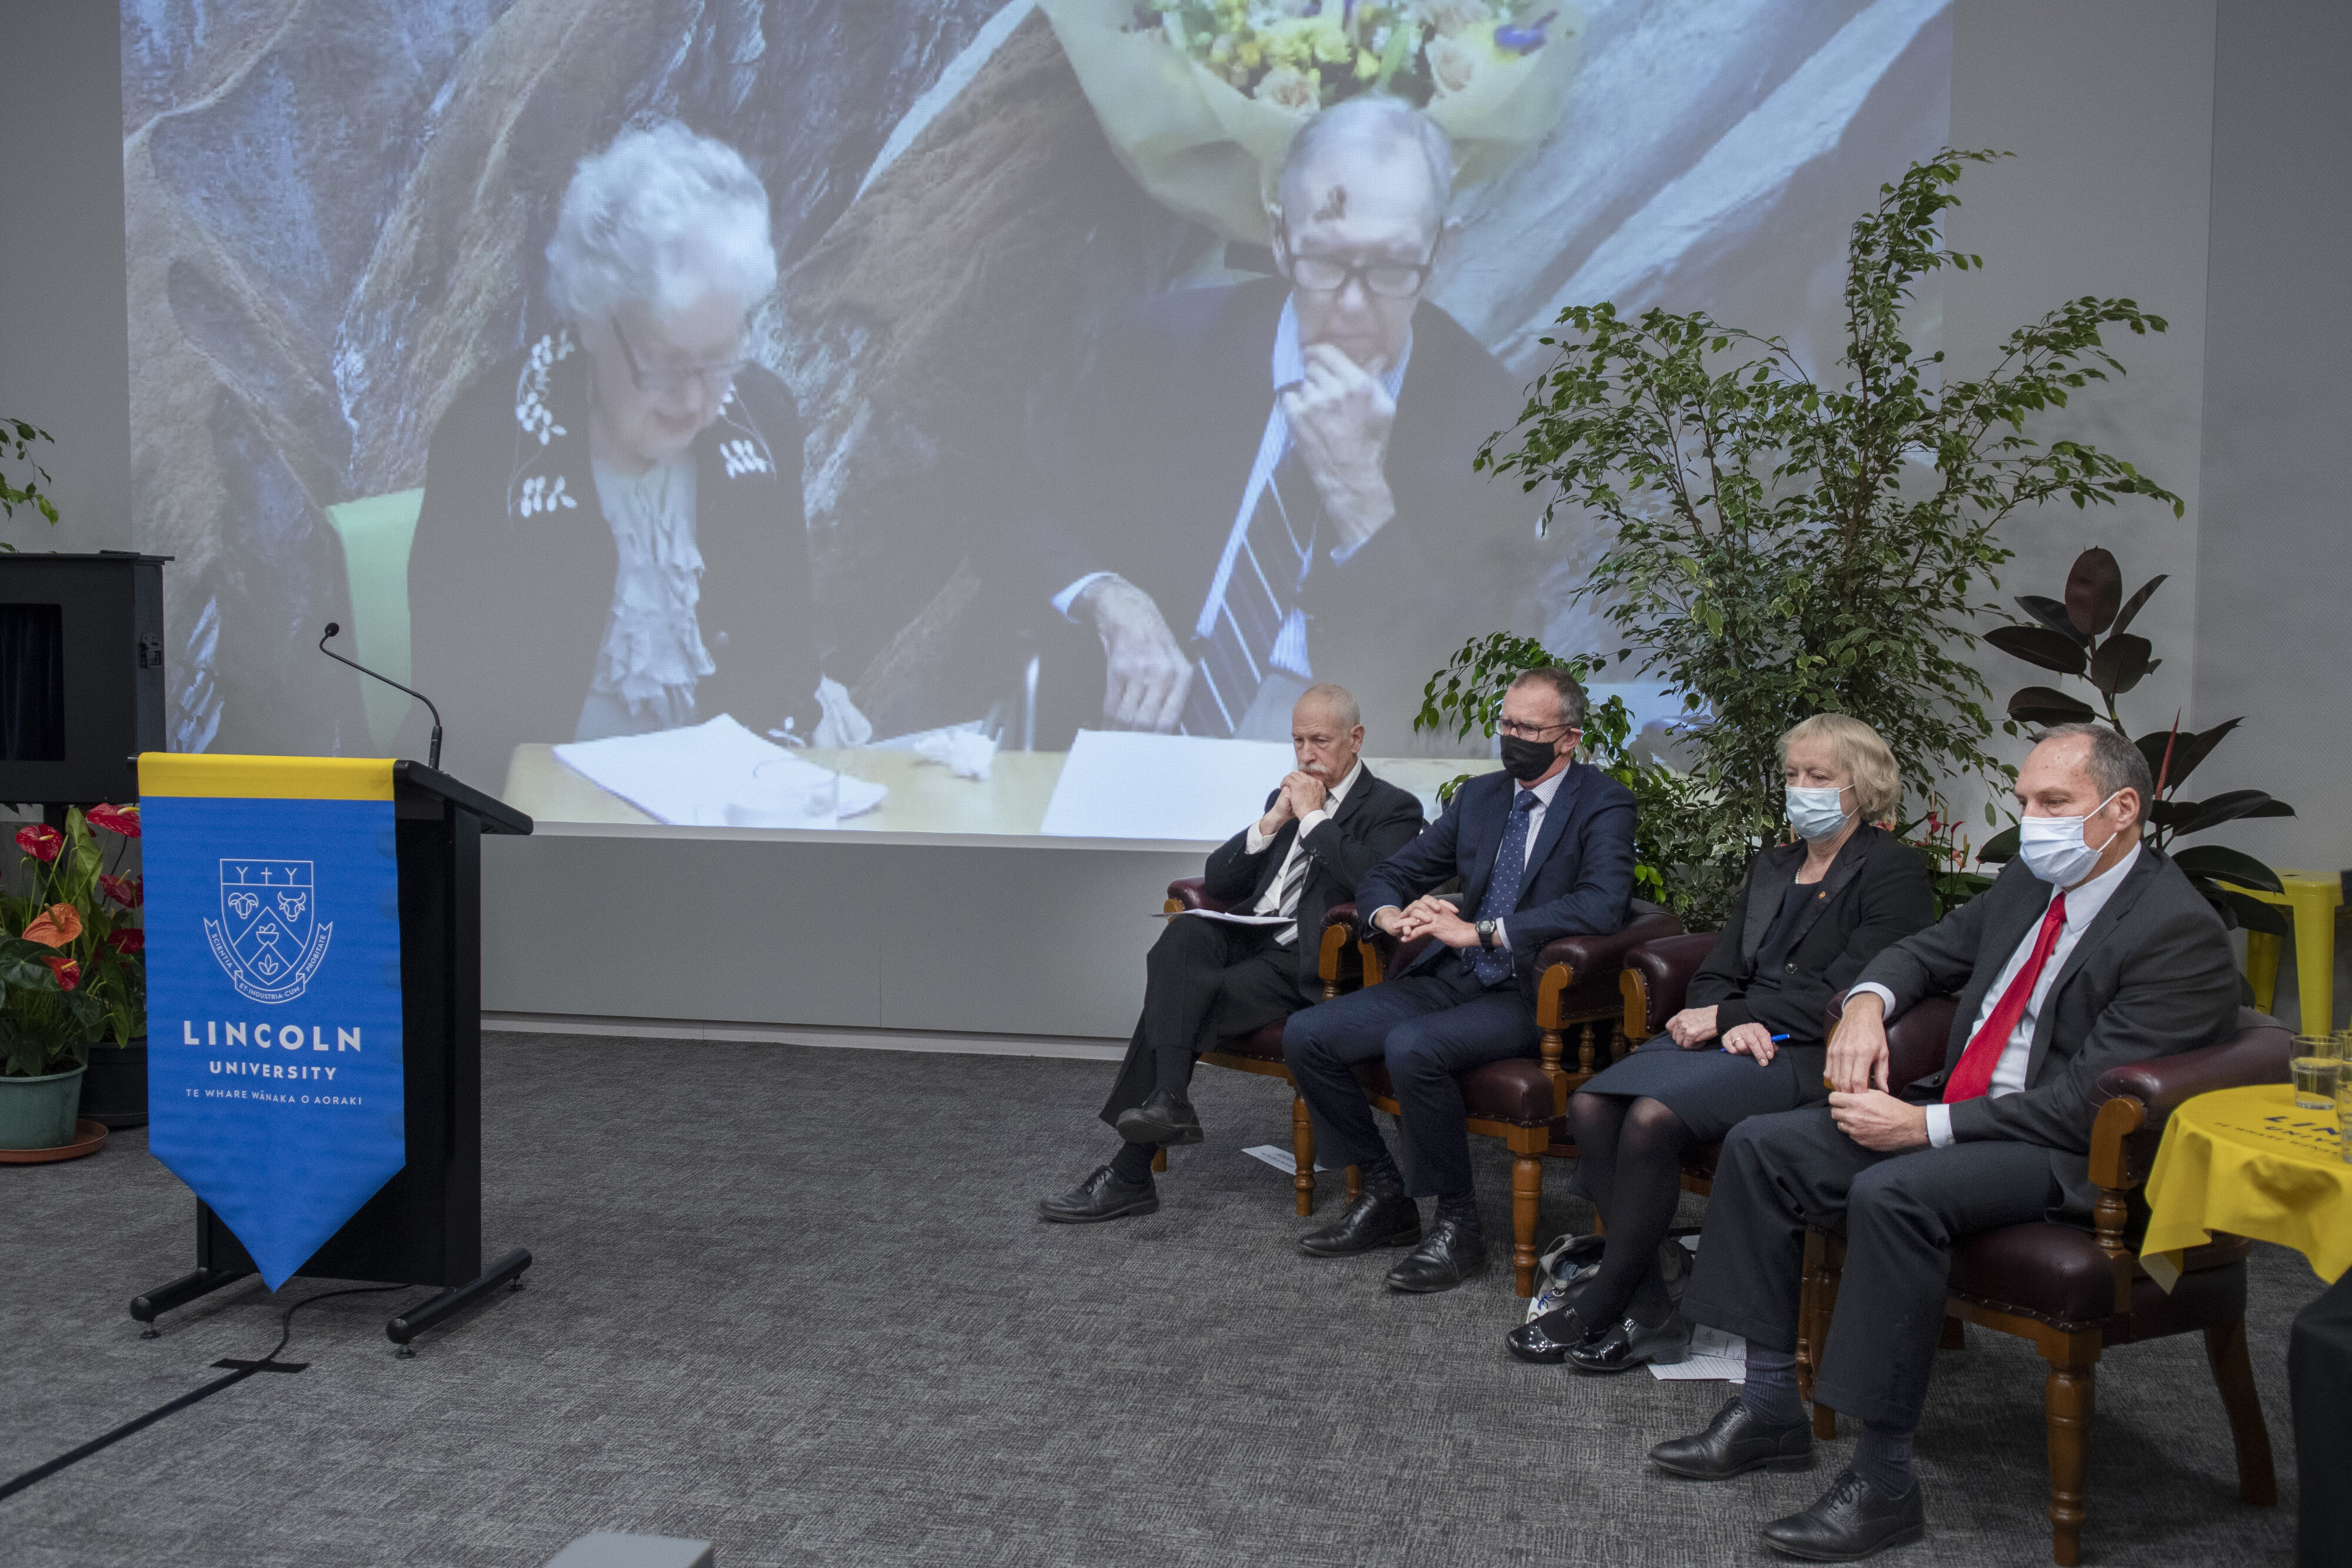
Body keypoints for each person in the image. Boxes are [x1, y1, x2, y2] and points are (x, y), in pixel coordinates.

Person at [1651, 723, 2241, 1561]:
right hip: (1965, 1109)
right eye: (2024, 799)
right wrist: (1863, 1002)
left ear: (2120, 811)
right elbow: (1922, 951)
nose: (2029, 819)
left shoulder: (2173, 930)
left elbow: (2085, 1101)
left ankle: (1882, 1478)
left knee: (1889, 1191)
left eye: (2052, 802)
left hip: (2062, 1153)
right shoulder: (2029, 885)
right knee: (1761, 1145)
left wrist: (1922, 1125)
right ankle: (1768, 1405)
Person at [1011, 95, 1530, 746]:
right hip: (1144, 723)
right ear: (1281, 240)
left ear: (1442, 251)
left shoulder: (1494, 425)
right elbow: (1021, 510)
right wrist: (1111, 599)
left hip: (1354, 760)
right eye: (1325, 261)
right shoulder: (1162, 345)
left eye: (1393, 267)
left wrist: (1361, 501)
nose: (1352, 303)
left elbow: (1465, 689)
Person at [408, 123, 862, 786]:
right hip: (542, 827)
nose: (695, 398)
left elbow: (784, 660)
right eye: (665, 363)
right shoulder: (486, 445)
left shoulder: (763, 419)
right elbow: (457, 716)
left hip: (730, 816)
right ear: (591, 318)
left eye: (721, 357)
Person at [1509, 715, 1933, 1373]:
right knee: (1593, 1103)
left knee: (1651, 1116)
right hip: (1739, 1034)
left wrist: (1738, 1014)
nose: (1801, 788)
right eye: (1793, 775)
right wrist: (1716, 1010)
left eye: (1820, 776)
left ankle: (1605, 1299)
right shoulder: (1776, 862)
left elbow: (1852, 991)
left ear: (1864, 786)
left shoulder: (1893, 870)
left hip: (1803, 1049)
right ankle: (1649, 1305)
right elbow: (1717, 962)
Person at [1280, 666, 1636, 1292]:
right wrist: (1391, 914)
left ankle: (1458, 1225)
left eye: (1528, 727)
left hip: (1530, 991)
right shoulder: (1481, 797)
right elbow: (1392, 871)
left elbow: (1602, 904)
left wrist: (1486, 928)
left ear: (1569, 738)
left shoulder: (1602, 801)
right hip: (1452, 973)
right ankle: (1389, 1196)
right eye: (1506, 723)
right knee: (1309, 1032)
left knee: (1414, 1046)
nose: (1511, 736)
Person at [1039, 682, 1425, 1223]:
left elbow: (1374, 882)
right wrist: (1272, 823)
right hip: (1249, 933)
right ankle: (1167, 1103)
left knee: (1183, 999)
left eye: (1320, 741)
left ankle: (1130, 1172)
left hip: (1306, 961)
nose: (1306, 755)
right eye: (1297, 742)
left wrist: (1315, 821)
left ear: (1355, 739)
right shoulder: (1283, 798)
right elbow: (1220, 878)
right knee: (1183, 935)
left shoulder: (1393, 809)